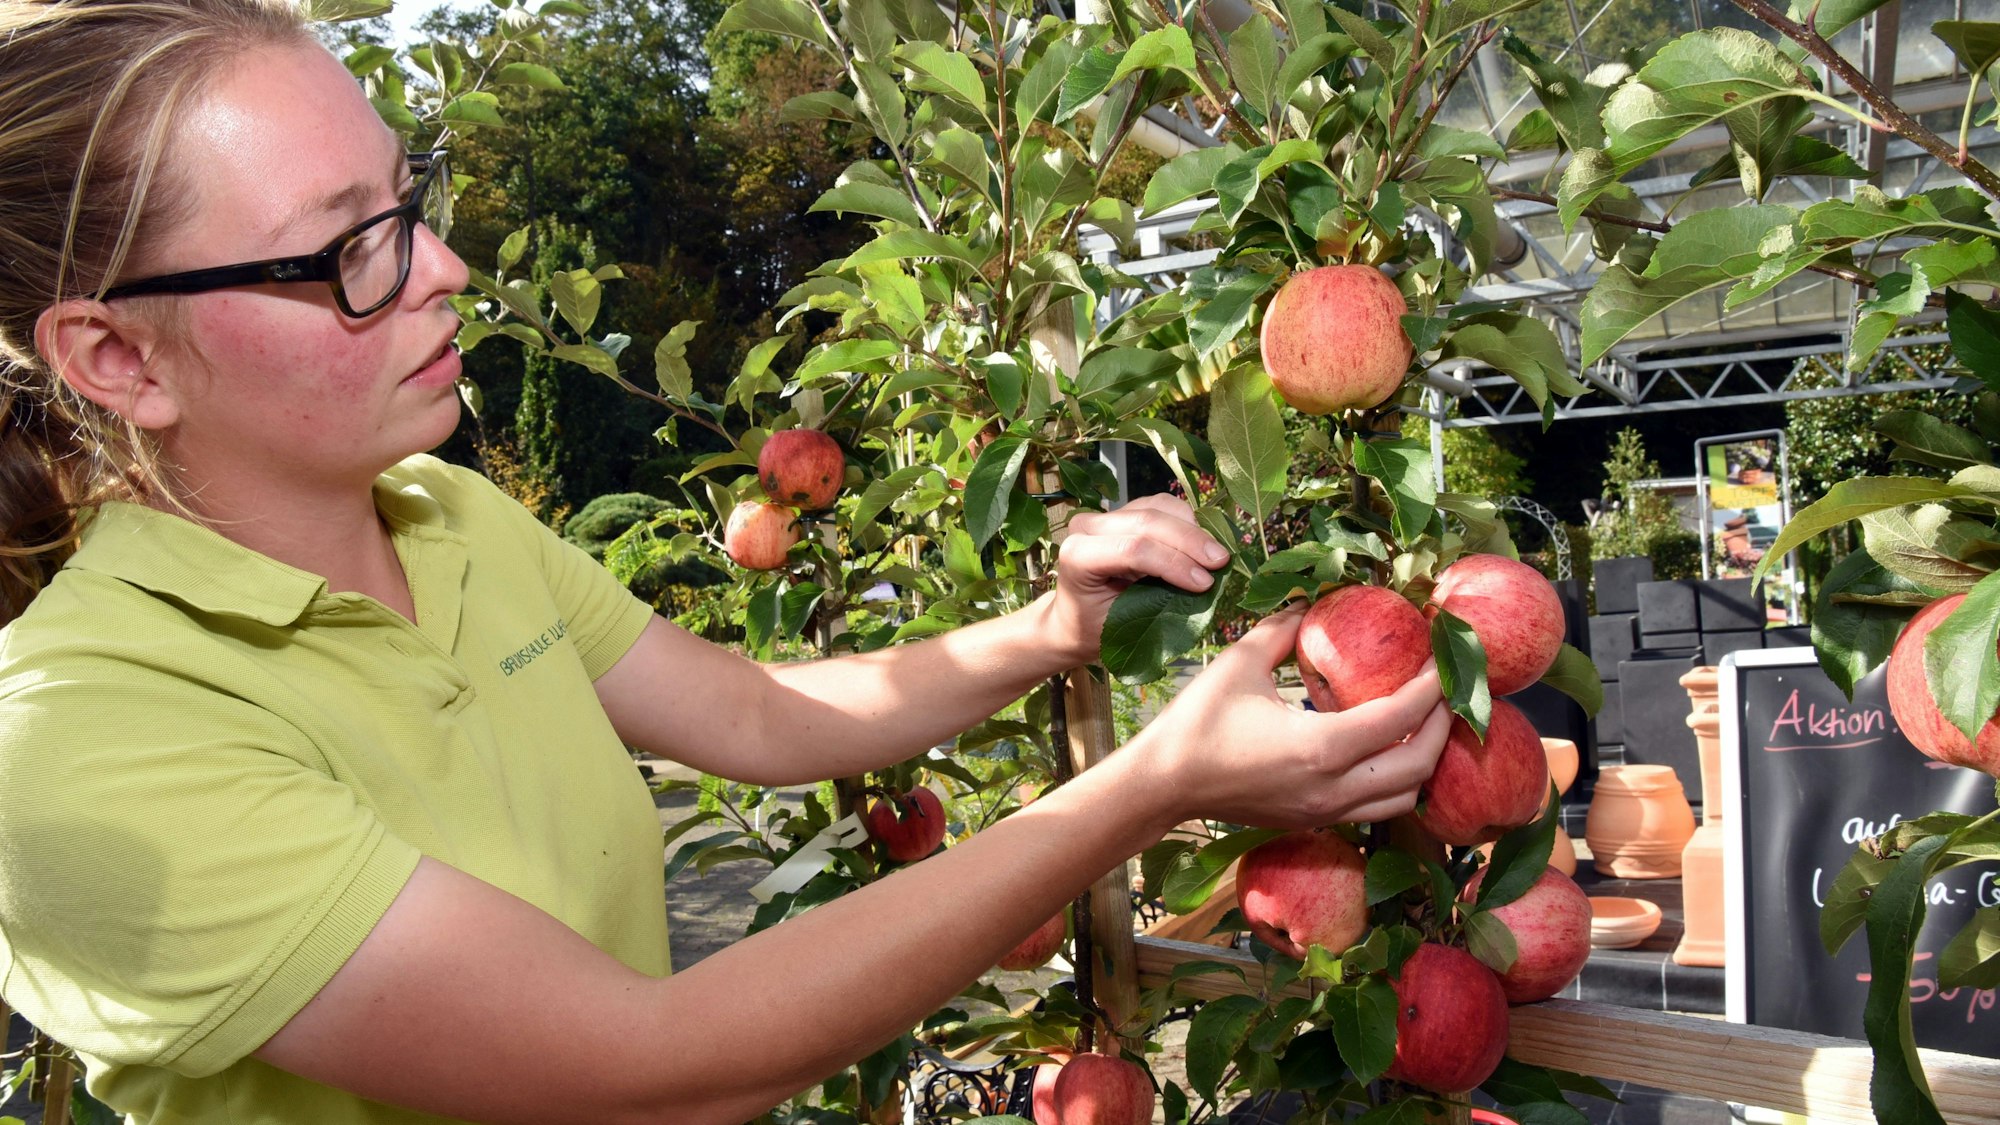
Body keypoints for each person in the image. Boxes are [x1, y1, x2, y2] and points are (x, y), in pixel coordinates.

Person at [0, 1, 1452, 1121]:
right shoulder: (72, 746)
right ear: (116, 355)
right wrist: (1153, 786)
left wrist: (1049, 629)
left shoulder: (448, 515)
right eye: (348, 250)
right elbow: (660, 1070)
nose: (443, 269)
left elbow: (756, 718)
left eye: (411, 197)